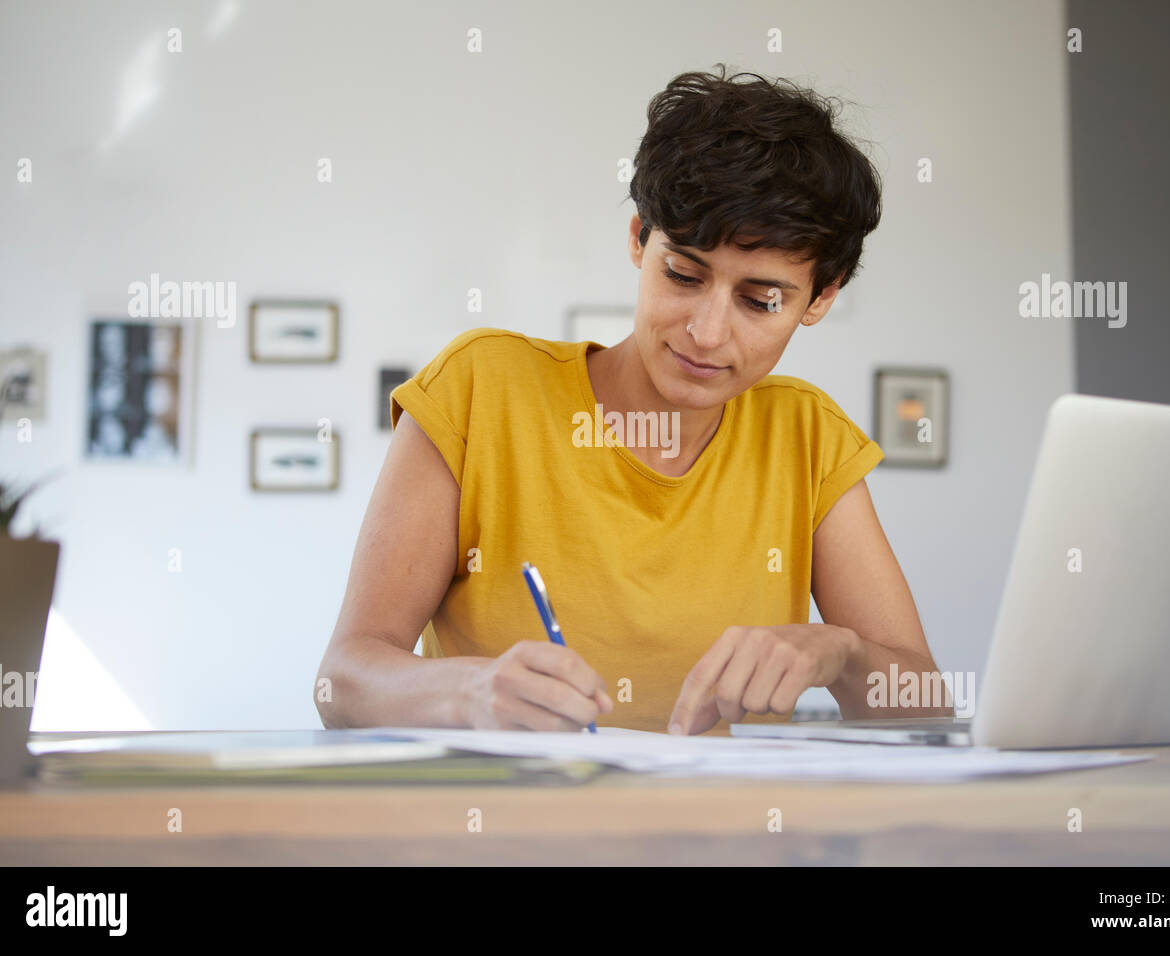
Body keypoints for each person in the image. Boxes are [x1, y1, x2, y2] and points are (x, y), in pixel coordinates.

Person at [316, 65, 949, 735]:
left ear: (821, 298)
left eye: (760, 301)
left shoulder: (808, 438)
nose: (707, 334)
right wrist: (467, 692)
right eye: (682, 274)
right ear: (638, 238)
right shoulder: (479, 390)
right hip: (507, 828)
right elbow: (344, 680)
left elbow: (927, 708)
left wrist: (840, 654)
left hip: (729, 834)